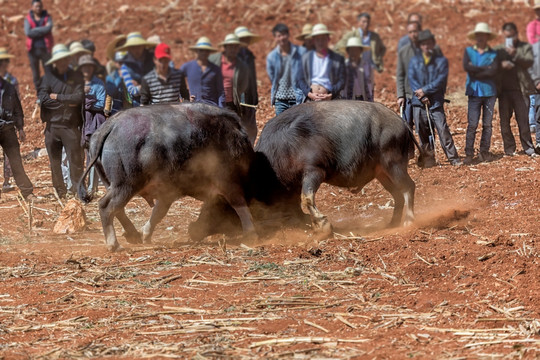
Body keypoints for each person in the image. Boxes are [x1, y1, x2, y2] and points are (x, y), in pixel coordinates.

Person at [408, 29, 461, 167]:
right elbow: (412, 80)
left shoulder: (441, 61)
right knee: (422, 132)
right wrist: (420, 95)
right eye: (423, 44)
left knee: (443, 130)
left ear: (432, 44)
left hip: (435, 102)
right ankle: (428, 160)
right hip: (418, 103)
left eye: (428, 43)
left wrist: (424, 91)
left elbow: (440, 80)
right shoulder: (414, 61)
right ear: (420, 45)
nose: (426, 46)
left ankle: (453, 158)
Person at [38, 44, 84, 198]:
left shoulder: (76, 76)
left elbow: (79, 98)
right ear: (55, 62)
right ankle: (60, 193)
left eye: (65, 59)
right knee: (55, 163)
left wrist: (57, 97)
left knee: (75, 161)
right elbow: (43, 99)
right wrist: (67, 102)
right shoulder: (48, 77)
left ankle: (78, 191)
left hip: (70, 126)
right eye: (60, 60)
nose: (63, 62)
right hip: (52, 127)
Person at [495, 22, 537, 157]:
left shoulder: (524, 47)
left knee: (523, 120)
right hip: (504, 92)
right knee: (505, 122)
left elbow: (529, 61)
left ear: (516, 34)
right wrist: (501, 64)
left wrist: (515, 54)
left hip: (521, 90)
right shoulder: (499, 50)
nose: (509, 39)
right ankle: (509, 148)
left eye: (511, 36)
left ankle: (528, 147)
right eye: (506, 36)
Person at [462, 23, 499, 164]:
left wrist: (476, 69)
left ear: (487, 37)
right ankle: (469, 153)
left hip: (489, 92)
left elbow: (493, 71)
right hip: (474, 92)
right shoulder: (468, 51)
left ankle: (484, 151)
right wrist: (485, 69)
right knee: (472, 124)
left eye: (483, 35)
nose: (480, 37)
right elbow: (467, 67)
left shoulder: (494, 54)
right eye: (478, 35)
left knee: (487, 124)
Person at [0, 57, 34, 200]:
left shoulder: (9, 87)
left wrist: (20, 128)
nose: (4, 66)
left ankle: (27, 191)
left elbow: (17, 109)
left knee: (15, 160)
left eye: (5, 64)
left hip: (8, 129)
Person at [209, 34, 252, 141]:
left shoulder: (242, 66)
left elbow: (243, 85)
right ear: (225, 47)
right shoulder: (213, 60)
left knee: (231, 131)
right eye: (230, 46)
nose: (233, 49)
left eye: (235, 46)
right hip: (214, 102)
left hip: (231, 103)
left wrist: (234, 93)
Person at [335, 13, 386, 101]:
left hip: (366, 66)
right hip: (353, 65)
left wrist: (377, 59)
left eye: (367, 22)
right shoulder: (351, 35)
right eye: (363, 21)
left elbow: (383, 48)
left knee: (366, 89)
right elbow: (337, 48)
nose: (366, 24)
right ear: (358, 22)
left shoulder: (374, 36)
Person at [266, 23, 309, 115]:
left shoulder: (301, 52)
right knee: (281, 128)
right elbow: (272, 77)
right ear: (275, 38)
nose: (282, 38)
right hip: (280, 100)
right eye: (279, 36)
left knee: (297, 127)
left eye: (284, 34)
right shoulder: (272, 57)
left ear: (288, 35)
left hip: (297, 98)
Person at [79, 54, 106, 193]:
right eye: (84, 67)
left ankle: (92, 186)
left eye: (89, 66)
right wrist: (88, 100)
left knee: (92, 155)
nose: (86, 69)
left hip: (93, 124)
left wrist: (85, 101)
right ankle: (78, 186)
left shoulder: (98, 84)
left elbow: (101, 104)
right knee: (78, 157)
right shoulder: (77, 83)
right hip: (79, 123)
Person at [302, 23, 345, 101]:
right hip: (310, 99)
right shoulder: (305, 58)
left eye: (323, 39)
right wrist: (309, 94)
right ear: (313, 41)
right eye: (318, 39)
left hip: (331, 99)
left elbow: (342, 80)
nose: (320, 42)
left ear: (328, 39)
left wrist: (331, 94)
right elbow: (299, 79)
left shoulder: (337, 59)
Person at [180, 37, 224, 107]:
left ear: (209, 52)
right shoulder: (187, 67)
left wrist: (221, 109)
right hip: (193, 107)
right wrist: (185, 98)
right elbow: (176, 82)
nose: (204, 53)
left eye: (206, 51)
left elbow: (221, 91)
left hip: (212, 107)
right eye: (201, 50)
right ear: (197, 51)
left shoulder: (216, 69)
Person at [116, 32, 156, 107]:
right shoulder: (125, 67)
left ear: (143, 46)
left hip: (157, 102)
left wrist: (140, 86)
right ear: (129, 49)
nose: (136, 50)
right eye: (133, 47)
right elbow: (132, 90)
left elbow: (162, 83)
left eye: (138, 46)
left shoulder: (154, 60)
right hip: (138, 105)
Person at [234, 26, 260, 144]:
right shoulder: (231, 56)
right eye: (242, 38)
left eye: (246, 38)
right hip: (236, 98)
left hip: (248, 98)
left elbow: (252, 78)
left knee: (251, 129)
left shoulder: (249, 55)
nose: (245, 41)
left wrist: (255, 97)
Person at [397, 21, 422, 137]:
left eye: (415, 31)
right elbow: (400, 75)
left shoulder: (426, 49)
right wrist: (400, 95)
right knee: (406, 125)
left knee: (423, 124)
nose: (413, 34)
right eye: (410, 32)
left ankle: (428, 153)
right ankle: (408, 153)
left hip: (421, 94)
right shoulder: (403, 51)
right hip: (407, 94)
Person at [0, 48, 19, 192]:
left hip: (8, 123)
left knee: (10, 155)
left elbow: (16, 102)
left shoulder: (12, 81)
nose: (4, 64)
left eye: (5, 61)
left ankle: (7, 180)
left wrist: (20, 125)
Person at [24, 0, 54, 91]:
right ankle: (39, 93)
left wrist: (35, 30)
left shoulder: (47, 17)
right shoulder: (28, 19)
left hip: (45, 48)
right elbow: (28, 33)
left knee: (49, 70)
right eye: (36, 6)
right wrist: (43, 30)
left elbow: (49, 28)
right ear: (32, 7)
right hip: (32, 50)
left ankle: (50, 91)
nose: (38, 8)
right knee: (36, 73)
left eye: (40, 6)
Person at [527, 1, 540, 133]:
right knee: (533, 99)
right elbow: (533, 41)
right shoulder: (532, 25)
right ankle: (533, 124)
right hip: (536, 60)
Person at [105, 51, 130, 116]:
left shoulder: (132, 74)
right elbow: (110, 93)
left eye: (125, 63)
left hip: (131, 108)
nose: (123, 65)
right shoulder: (111, 77)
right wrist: (107, 108)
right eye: (120, 63)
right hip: (117, 109)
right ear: (116, 63)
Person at [529, 30, 540, 153]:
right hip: (538, 88)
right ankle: (539, 142)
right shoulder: (534, 49)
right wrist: (537, 81)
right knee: (539, 116)